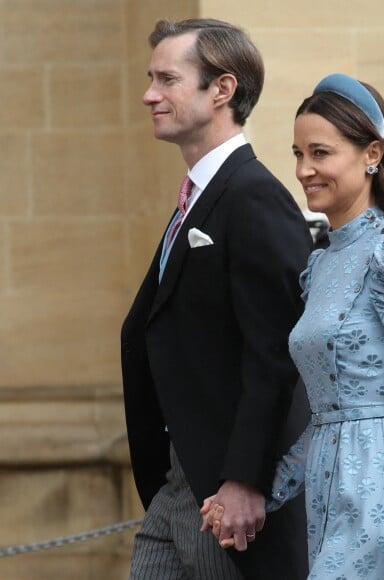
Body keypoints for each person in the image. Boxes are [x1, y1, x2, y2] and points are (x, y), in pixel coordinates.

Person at [202, 73, 384, 579]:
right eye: (297, 154)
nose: (304, 170)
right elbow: (326, 420)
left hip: (383, 492)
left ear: (372, 154)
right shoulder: (320, 265)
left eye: (320, 153)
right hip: (328, 498)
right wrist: (259, 493)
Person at [120, 17, 312, 580]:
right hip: (176, 487)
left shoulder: (252, 196)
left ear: (222, 90)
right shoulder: (198, 198)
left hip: (228, 496)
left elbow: (277, 352)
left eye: (167, 79)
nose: (149, 94)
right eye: (150, 78)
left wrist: (246, 478)